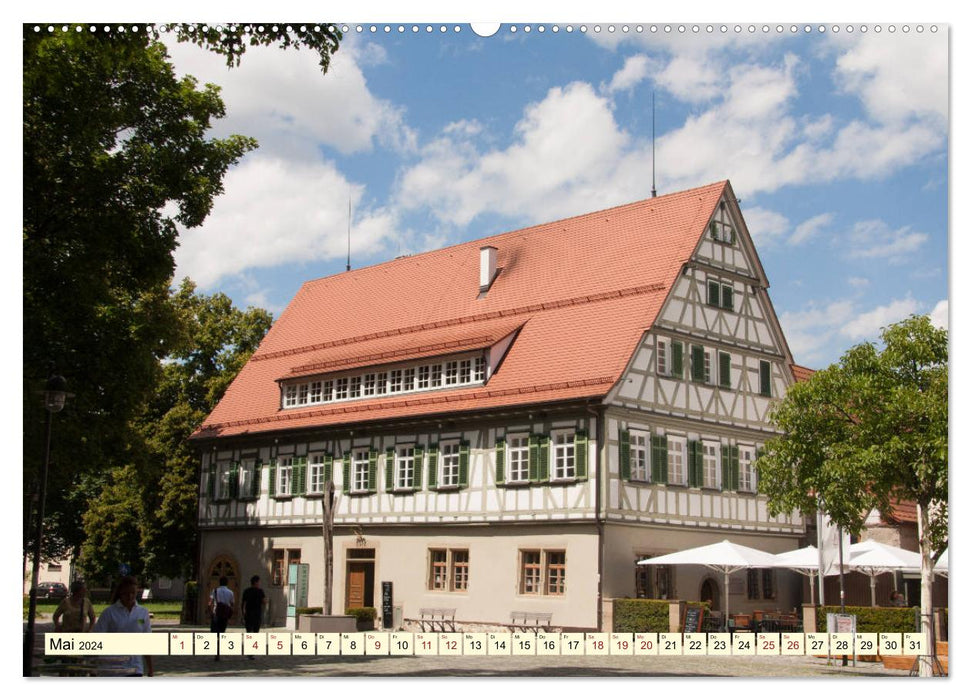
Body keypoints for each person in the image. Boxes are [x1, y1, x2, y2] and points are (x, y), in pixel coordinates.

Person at [92, 576, 153, 676]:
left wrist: (150, 668)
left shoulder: (142, 613)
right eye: (126, 593)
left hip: (134, 666)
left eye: (133, 593)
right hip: (112, 667)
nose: (130, 596)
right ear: (120, 593)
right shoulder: (109, 613)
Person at [209, 576, 235, 660]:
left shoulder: (215, 591)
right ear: (227, 583)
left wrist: (210, 611)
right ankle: (219, 650)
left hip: (216, 614)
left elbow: (210, 602)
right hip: (225, 615)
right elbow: (232, 604)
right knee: (222, 632)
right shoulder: (230, 592)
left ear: (219, 583)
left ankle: (216, 651)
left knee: (215, 633)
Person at [241, 575, 267, 659]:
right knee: (255, 633)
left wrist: (243, 614)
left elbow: (243, 604)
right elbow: (264, 602)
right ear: (256, 582)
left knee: (249, 632)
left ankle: (249, 651)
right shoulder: (260, 591)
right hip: (256, 614)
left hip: (248, 614)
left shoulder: (246, 591)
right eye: (259, 582)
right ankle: (252, 651)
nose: (259, 583)